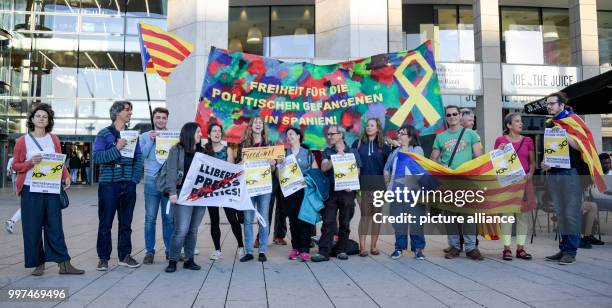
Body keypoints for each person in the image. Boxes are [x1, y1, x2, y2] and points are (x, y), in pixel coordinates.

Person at [11, 103, 84, 275]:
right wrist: (30, 163)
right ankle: (38, 264)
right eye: (38, 116)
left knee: (55, 226)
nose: (41, 119)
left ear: (49, 120)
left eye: (45, 116)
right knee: (32, 227)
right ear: (32, 119)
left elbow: (59, 161)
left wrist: (66, 175)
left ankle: (64, 264)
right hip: (30, 189)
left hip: (51, 188)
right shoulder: (22, 141)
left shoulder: (54, 139)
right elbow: (15, 165)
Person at [93, 100, 143, 271]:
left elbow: (139, 159)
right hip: (108, 185)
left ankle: (125, 255)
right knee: (105, 222)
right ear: (117, 113)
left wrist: (134, 180)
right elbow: (97, 158)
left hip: (128, 185)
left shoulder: (132, 135)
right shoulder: (103, 134)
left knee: (126, 223)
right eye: (127, 110)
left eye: (130, 110)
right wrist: (116, 148)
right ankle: (103, 257)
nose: (130, 113)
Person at [542, 92, 591, 265]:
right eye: (547, 104)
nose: (548, 106)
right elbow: (551, 150)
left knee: (571, 214)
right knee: (561, 214)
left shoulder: (573, 120)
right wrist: (545, 163)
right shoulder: (550, 123)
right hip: (554, 172)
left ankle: (571, 251)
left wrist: (564, 133)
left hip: (570, 173)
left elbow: (582, 146)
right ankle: (563, 248)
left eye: (552, 103)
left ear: (561, 105)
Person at [430, 105, 485, 261]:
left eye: (455, 114)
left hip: (466, 180)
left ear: (460, 116)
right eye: (449, 115)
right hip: (448, 181)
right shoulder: (440, 137)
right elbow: (433, 160)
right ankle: (454, 246)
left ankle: (471, 247)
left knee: (468, 215)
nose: (452, 117)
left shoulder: (470, 134)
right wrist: (441, 166)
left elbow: (479, 156)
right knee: (450, 215)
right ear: (445, 118)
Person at [312, 125, 362, 262]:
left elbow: (357, 171)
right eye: (328, 134)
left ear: (341, 135)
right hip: (331, 192)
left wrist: (351, 184)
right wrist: (336, 159)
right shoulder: (328, 151)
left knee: (345, 222)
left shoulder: (352, 151)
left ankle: (341, 250)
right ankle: (324, 252)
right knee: (328, 222)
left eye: (332, 134)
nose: (329, 137)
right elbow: (323, 167)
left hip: (347, 192)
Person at [163, 122, 207, 273]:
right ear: (189, 134)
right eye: (198, 132)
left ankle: (189, 260)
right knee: (181, 229)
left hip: (200, 195)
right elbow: (171, 171)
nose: (201, 134)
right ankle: (173, 260)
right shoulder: (176, 150)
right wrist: (172, 192)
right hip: (182, 194)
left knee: (193, 229)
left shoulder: (203, 151)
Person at [495, 113, 535, 261]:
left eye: (521, 121)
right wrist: (499, 151)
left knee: (523, 216)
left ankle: (521, 248)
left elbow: (532, 163)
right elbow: (497, 163)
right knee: (507, 216)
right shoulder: (501, 140)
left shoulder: (528, 140)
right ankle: (506, 249)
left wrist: (530, 173)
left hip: (524, 181)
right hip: (508, 183)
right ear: (509, 125)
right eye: (517, 121)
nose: (521, 123)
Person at [384, 124, 427, 260]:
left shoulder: (417, 149)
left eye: (402, 133)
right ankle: (399, 248)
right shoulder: (394, 152)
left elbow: (415, 162)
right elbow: (386, 169)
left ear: (410, 136)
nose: (399, 135)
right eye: (399, 133)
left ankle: (418, 249)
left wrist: (400, 146)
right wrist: (388, 185)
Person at [236, 117, 276, 262]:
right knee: (247, 219)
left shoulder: (269, 144)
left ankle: (262, 250)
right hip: (249, 187)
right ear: (251, 126)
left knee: (263, 218)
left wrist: (272, 163)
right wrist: (242, 162)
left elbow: (272, 169)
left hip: (264, 187)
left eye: (261, 123)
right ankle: (249, 251)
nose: (258, 125)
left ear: (263, 127)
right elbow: (238, 166)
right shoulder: (243, 145)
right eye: (255, 123)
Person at [203, 122, 245, 260]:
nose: (217, 133)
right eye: (214, 131)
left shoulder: (227, 149)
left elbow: (231, 169)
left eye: (219, 131)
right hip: (211, 191)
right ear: (209, 134)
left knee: (232, 218)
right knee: (214, 220)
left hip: (226, 190)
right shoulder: (204, 150)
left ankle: (240, 246)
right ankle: (217, 249)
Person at [139, 107, 174, 264]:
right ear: (153, 119)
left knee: (168, 218)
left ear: (167, 120)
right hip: (151, 182)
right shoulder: (145, 136)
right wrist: (151, 141)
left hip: (167, 182)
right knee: (150, 218)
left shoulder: (172, 137)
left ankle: (169, 250)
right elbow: (141, 156)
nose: (161, 120)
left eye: (163, 118)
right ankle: (149, 252)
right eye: (158, 117)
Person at [352, 118, 391, 257]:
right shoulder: (357, 144)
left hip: (379, 186)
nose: (369, 127)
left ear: (378, 129)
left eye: (372, 125)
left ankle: (374, 246)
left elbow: (391, 164)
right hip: (362, 185)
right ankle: (362, 247)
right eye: (367, 125)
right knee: (365, 215)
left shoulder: (384, 146)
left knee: (376, 216)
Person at [279, 127, 318, 261]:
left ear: (298, 136)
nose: (289, 137)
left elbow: (315, 171)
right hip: (289, 192)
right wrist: (279, 165)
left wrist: (306, 178)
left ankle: (305, 249)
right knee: (293, 220)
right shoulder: (284, 154)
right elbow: (279, 173)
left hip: (304, 192)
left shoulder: (307, 154)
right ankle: (295, 248)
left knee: (304, 219)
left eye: (291, 134)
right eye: (287, 135)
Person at [580, 153, 610, 247]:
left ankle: (589, 236)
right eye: (604, 163)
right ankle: (587, 236)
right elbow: (595, 192)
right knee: (593, 206)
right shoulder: (593, 174)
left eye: (609, 163)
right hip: (590, 199)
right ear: (598, 164)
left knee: (593, 206)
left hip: (598, 199)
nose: (607, 165)